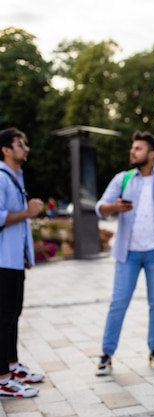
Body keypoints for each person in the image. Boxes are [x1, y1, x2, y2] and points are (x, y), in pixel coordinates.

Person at [94, 131, 154, 376]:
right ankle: (107, 354)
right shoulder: (122, 179)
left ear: (151, 154)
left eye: (138, 149)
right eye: (132, 148)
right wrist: (114, 207)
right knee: (118, 302)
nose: (132, 152)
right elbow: (100, 208)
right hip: (128, 253)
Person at [0, 127, 45, 398]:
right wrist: (27, 212)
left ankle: (12, 365)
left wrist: (26, 253)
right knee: (2, 318)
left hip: (13, 260)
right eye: (20, 144)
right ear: (6, 149)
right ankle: (2, 378)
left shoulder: (16, 176)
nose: (25, 148)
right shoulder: (1, 177)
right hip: (2, 261)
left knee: (12, 315)